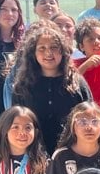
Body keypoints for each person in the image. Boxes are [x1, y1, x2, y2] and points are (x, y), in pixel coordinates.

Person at [9, 21, 92, 156]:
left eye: (54, 47)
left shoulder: (76, 83)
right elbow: (16, 122)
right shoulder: (23, 86)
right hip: (34, 154)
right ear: (33, 53)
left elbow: (90, 117)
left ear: (63, 52)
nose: (48, 53)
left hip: (71, 153)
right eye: (42, 48)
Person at [0, 106, 49, 174]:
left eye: (28, 128)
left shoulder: (43, 164)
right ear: (5, 131)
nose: (22, 132)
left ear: (35, 132)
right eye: (15, 127)